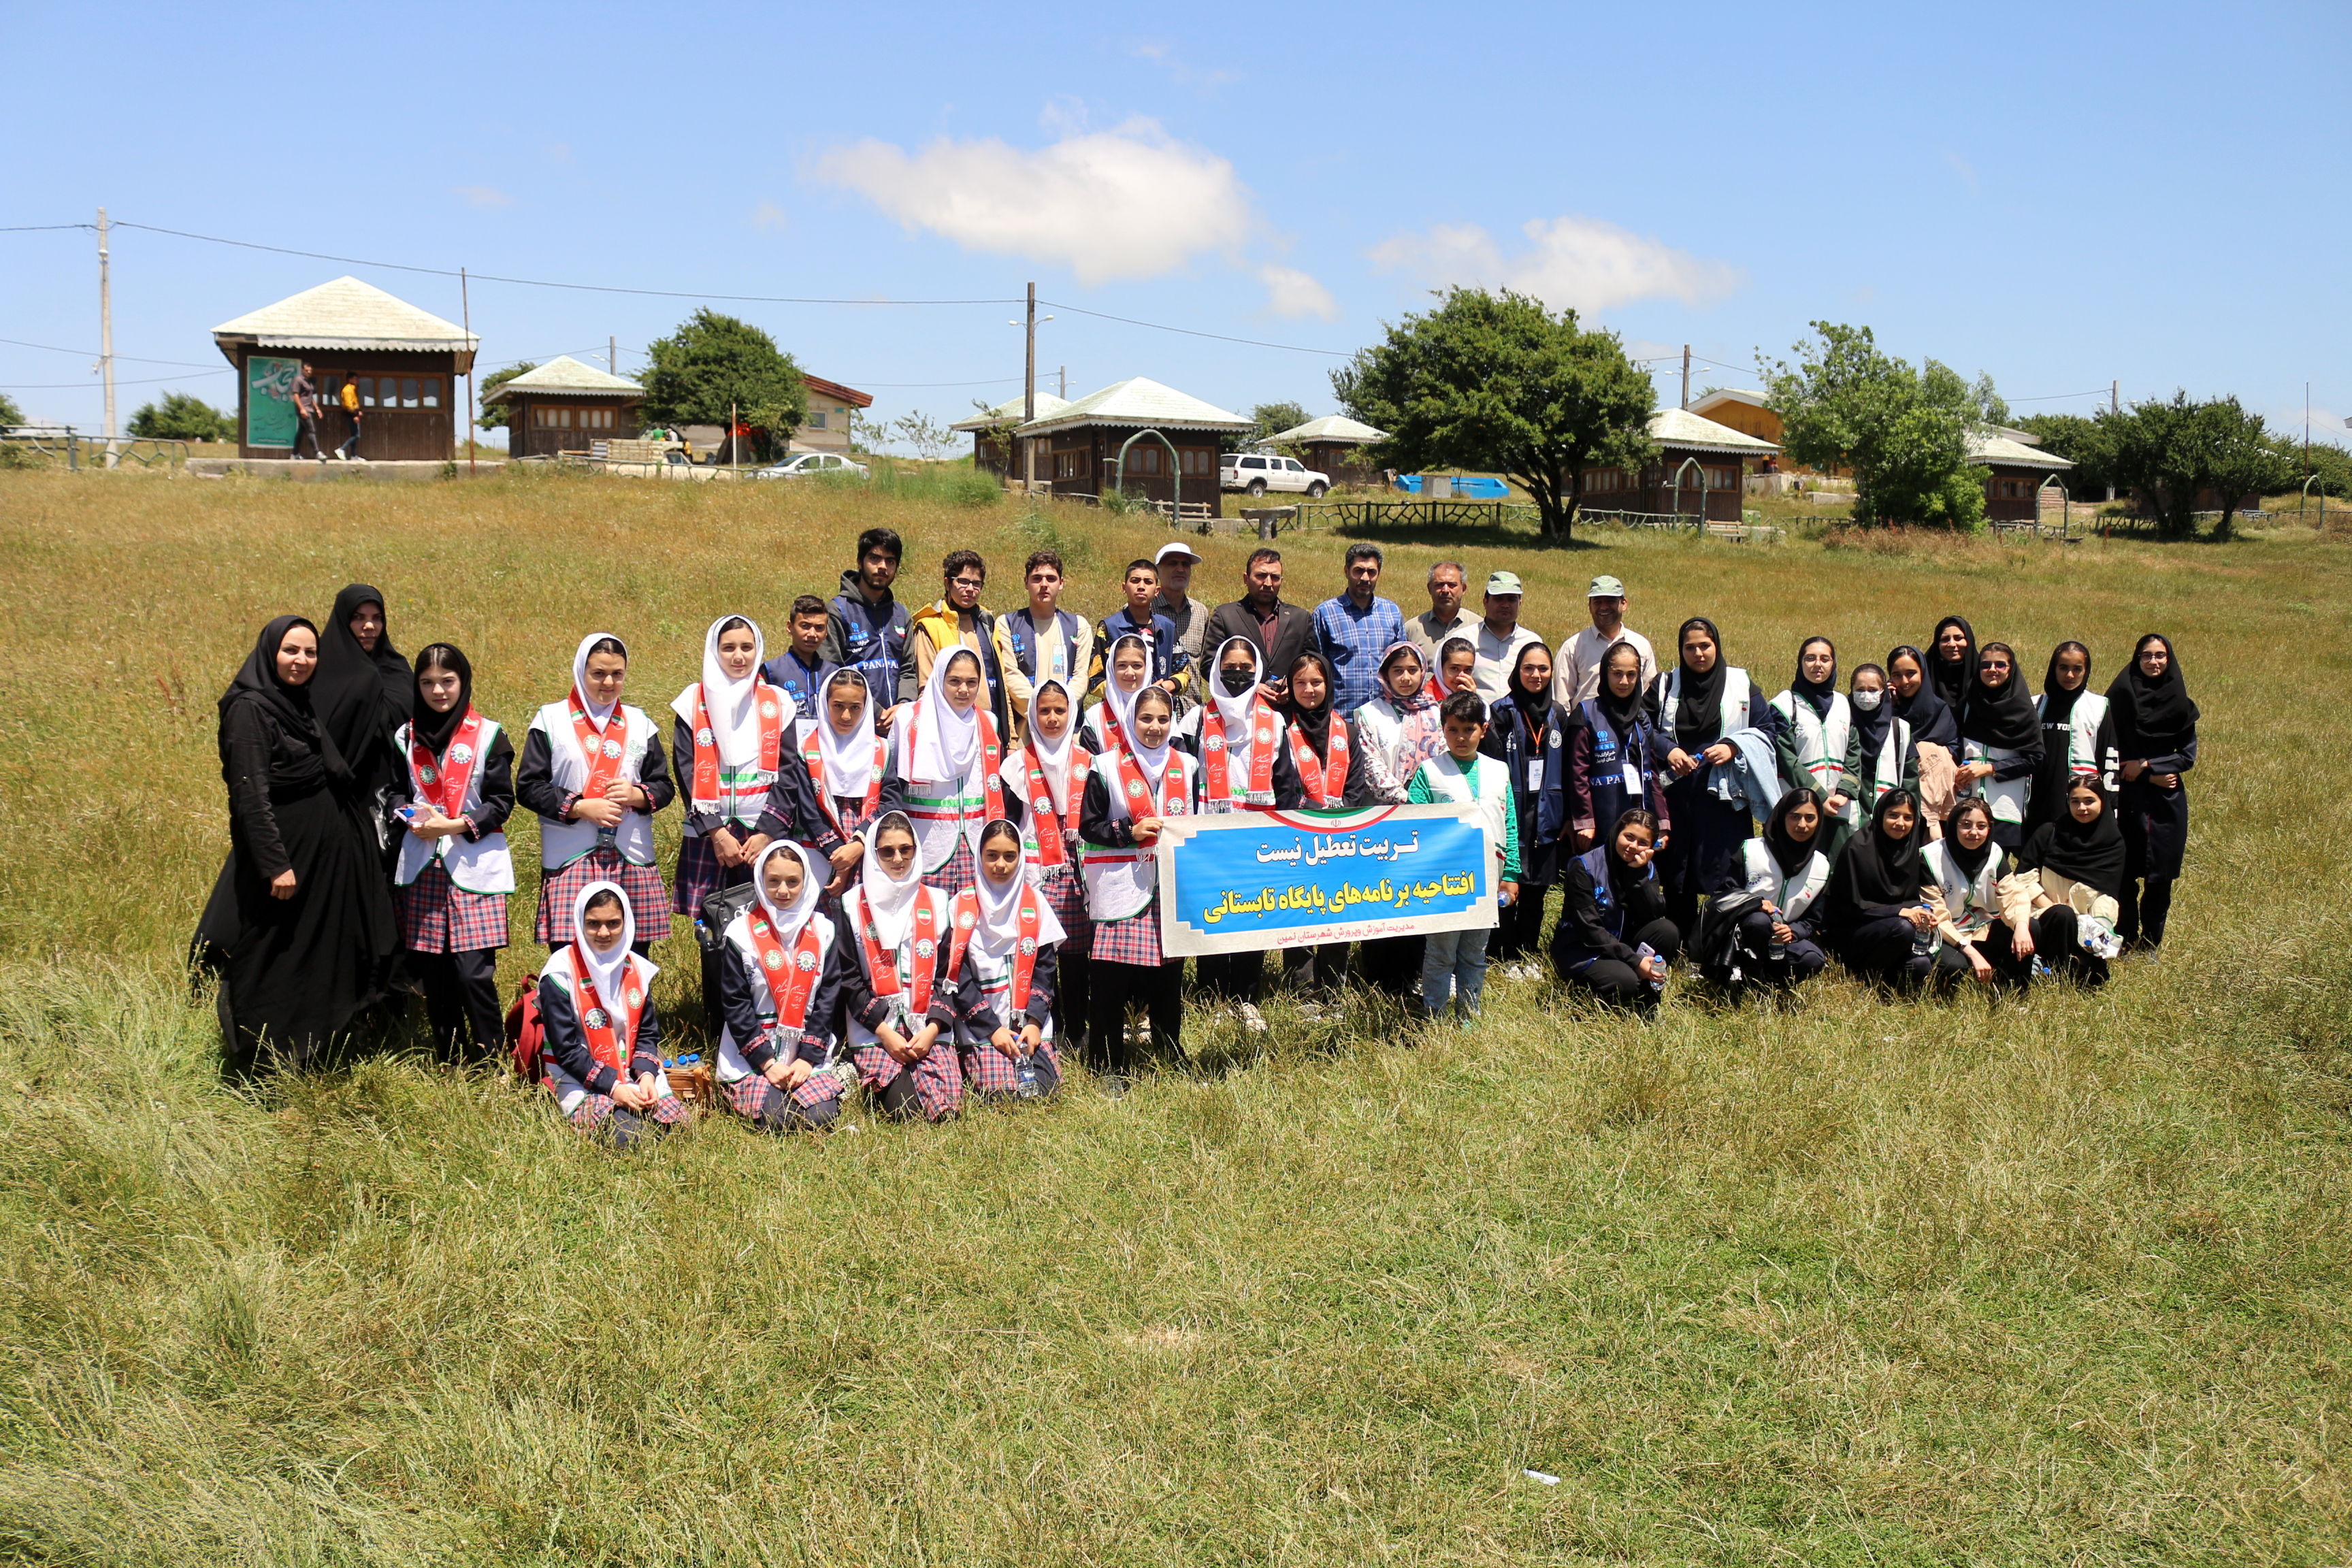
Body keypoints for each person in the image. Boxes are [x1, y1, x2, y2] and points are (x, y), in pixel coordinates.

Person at [197, 615, 395, 1077]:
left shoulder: (294, 702)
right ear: (270, 652)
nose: (302, 660)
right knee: (274, 953)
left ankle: (307, 1051)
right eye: (291, 650)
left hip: (319, 856)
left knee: (312, 950)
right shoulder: (250, 709)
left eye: (310, 652)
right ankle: (259, 1058)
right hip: (286, 860)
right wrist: (275, 864)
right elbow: (250, 795)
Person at [387, 642, 514, 1062]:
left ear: (463, 681)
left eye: (447, 681)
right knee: (435, 973)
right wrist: (409, 816)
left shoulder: (489, 735)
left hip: (473, 864)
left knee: (473, 972)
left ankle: (492, 1059)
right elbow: (392, 793)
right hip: (424, 864)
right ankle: (450, 1058)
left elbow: (502, 801)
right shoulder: (404, 735)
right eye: (427, 682)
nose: (438, 691)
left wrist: (457, 824)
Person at [517, 632, 674, 950]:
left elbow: (664, 785)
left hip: (630, 855)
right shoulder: (550, 720)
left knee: (633, 955)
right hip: (570, 855)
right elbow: (529, 786)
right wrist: (579, 807)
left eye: (617, 674)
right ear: (580, 671)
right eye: (598, 673)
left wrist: (636, 795)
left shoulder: (640, 723)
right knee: (570, 955)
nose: (608, 683)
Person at [1180, 637, 1305, 1024]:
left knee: (1252, 915)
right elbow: (1179, 779)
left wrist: (1285, 833)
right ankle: (1213, 996)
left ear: (1258, 674)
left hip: (1257, 839)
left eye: (1245, 670)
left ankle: (1246, 995)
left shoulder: (1274, 722)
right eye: (1230, 669)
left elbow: (1286, 785)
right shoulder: (1195, 720)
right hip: (1209, 839)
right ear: (1217, 670)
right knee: (1214, 914)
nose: (1237, 676)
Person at [672, 615, 787, 1030]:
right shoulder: (691, 701)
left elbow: (790, 773)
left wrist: (767, 832)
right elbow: (686, 768)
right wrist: (715, 830)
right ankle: (718, 1025)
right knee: (715, 933)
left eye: (747, 647)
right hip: (712, 838)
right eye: (729, 648)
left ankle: (770, 1018)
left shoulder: (778, 701)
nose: (739, 656)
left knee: (769, 926)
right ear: (713, 652)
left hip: (762, 838)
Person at [1080, 685, 1197, 1081]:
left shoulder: (1187, 765)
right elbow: (1087, 827)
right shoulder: (1105, 765)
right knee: (1111, 979)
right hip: (1120, 885)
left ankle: (1168, 1050)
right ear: (1131, 720)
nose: (1155, 727)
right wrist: (1128, 831)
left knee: (1168, 976)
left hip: (1168, 885)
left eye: (1163, 719)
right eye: (1146, 718)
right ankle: (1107, 1064)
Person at [1646, 618, 1778, 934]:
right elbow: (1642, 727)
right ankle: (1681, 939)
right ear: (1681, 651)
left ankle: (1718, 941)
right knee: (1679, 872)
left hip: (1724, 800)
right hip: (1676, 796)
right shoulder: (1665, 684)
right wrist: (1669, 749)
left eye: (1705, 646)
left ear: (1716, 646)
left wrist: (1733, 746)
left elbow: (1767, 730)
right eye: (1690, 647)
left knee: (1724, 871)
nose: (1698, 654)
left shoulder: (1740, 683)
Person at [712, 840, 852, 1132]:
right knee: (778, 1119)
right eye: (773, 881)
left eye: (793, 881)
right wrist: (766, 1063)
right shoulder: (740, 934)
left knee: (819, 1116)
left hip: (805, 1052)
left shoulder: (823, 930)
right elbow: (735, 1005)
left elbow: (827, 1001)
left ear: (806, 882)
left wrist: (807, 1060)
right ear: (761, 882)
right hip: (753, 1055)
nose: (783, 891)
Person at [536, 882, 687, 1145]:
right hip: (580, 1075)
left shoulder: (637, 968)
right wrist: (615, 1088)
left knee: (678, 1129)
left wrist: (647, 1074)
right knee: (631, 1138)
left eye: (613, 923)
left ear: (625, 922)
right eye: (593, 924)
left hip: (631, 1069)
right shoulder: (559, 974)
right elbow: (566, 1049)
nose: (604, 932)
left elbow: (648, 1032)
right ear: (580, 922)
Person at [838, 813, 963, 1123]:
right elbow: (849, 981)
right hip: (877, 1029)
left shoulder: (937, 902)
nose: (898, 858)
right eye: (887, 851)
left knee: (944, 1109)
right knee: (904, 1110)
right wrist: (886, 1034)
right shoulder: (851, 905)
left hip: (927, 1026)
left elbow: (950, 976)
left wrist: (933, 1030)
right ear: (873, 853)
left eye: (906, 850)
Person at [1410, 690, 1521, 1020]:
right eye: (1453, 730)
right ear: (1442, 730)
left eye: (1469, 730)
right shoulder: (1429, 772)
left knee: (1475, 952)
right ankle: (1436, 1015)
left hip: (1488, 876)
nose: (1461, 737)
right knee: (1441, 952)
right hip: (1443, 880)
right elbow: (1415, 826)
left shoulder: (1498, 770)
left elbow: (1510, 824)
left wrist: (1512, 875)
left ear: (1483, 730)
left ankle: (1469, 1017)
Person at [1279, 651, 1378, 996]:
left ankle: (1335, 988)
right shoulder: (1279, 727)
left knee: (1339, 911)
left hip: (1343, 837)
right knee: (1300, 912)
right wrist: (1308, 817)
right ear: (1290, 687)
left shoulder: (1346, 731)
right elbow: (1282, 782)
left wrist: (1340, 818)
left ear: (1329, 684)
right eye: (1301, 683)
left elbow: (1356, 784)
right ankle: (1303, 990)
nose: (1309, 690)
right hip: (1297, 837)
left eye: (1317, 682)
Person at [948, 819, 1068, 1101]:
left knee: (1042, 1092)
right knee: (1001, 1095)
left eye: (1009, 856)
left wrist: (1034, 1022)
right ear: (979, 856)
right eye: (992, 856)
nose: (1000, 865)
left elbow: (1046, 970)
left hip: (1026, 1024)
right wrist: (993, 1029)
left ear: (1020, 858)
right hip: (984, 1026)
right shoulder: (961, 907)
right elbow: (959, 980)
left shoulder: (1036, 903)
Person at [1352, 641, 1445, 1005]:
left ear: (1424, 672)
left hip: (1427, 826)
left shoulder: (1437, 713)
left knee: (1419, 901)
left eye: (1412, 670)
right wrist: (1411, 800)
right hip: (1382, 824)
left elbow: (1443, 763)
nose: (1406, 678)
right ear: (1384, 675)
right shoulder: (1367, 714)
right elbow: (1371, 770)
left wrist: (1426, 804)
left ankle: (1416, 974)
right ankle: (1379, 978)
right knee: (1380, 900)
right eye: (1397, 671)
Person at [1003, 679, 1093, 1050]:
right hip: (1036, 866)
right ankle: (1044, 1025)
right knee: (1041, 949)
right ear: (1032, 716)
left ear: (1072, 714)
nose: (1053, 718)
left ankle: (1078, 1027)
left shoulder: (1089, 763)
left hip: (1076, 865)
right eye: (1044, 711)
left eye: (1060, 711)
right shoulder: (1015, 767)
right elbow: (1007, 822)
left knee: (1076, 951)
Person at [762, 668, 903, 898]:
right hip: (820, 849)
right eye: (838, 706)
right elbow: (808, 811)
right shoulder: (806, 749)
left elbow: (891, 803)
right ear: (825, 704)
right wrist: (839, 857)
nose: (846, 716)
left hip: (867, 847)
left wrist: (858, 845)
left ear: (866, 708)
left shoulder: (882, 750)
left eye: (855, 708)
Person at [2107, 634, 2197, 951]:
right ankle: (2127, 936)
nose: (2154, 662)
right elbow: (2106, 752)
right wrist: (2144, 773)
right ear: (2137, 658)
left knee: (2160, 878)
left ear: (2169, 659)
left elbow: (2186, 757)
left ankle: (2151, 943)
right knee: (2124, 874)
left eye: (2160, 656)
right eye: (2147, 655)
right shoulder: (2119, 697)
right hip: (2127, 799)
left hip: (2165, 804)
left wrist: (2146, 766)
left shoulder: (2182, 705)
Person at [1483, 641, 1567, 979]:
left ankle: (1528, 951)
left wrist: (1569, 816)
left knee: (1536, 891)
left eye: (1543, 669)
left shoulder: (1559, 713)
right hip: (1511, 812)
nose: (1536, 675)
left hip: (1547, 814)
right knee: (1507, 886)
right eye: (1528, 668)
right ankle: (1502, 954)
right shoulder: (1501, 712)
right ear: (1517, 671)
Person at [312, 583, 410, 866]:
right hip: (342, 796)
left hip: (393, 792)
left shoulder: (397, 669)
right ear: (343, 620)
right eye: (359, 618)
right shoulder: (323, 672)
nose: (369, 626)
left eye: (376, 618)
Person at [900, 647, 1006, 899]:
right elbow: (895, 780)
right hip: (927, 839)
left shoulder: (988, 722)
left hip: (976, 839)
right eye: (955, 681)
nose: (964, 690)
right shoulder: (910, 718)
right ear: (939, 679)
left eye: (972, 682)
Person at [1550, 808, 1676, 1013]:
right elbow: (1590, 930)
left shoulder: (1647, 867)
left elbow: (1655, 912)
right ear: (1617, 831)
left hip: (1621, 942)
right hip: (1583, 948)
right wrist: (1635, 961)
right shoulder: (1584, 867)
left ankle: (1648, 998)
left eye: (1643, 843)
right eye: (1629, 837)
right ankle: (1585, 1000)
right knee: (1625, 982)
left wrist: (1639, 878)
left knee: (1667, 930)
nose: (1633, 847)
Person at [1712, 788, 1832, 988]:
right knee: (1758, 922)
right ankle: (1748, 978)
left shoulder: (1822, 866)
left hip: (1783, 942)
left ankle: (1773, 981)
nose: (1802, 825)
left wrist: (1793, 931)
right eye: (1795, 817)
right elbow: (1723, 894)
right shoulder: (1752, 850)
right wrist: (1754, 904)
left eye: (1810, 818)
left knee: (1813, 958)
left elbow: (1814, 919)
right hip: (1743, 934)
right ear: (1782, 816)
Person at [1820, 789, 1938, 992]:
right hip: (1853, 930)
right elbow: (1850, 907)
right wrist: (1899, 912)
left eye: (1908, 818)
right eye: (1893, 815)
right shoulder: (1858, 848)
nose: (1900, 823)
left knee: (1921, 964)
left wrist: (1924, 913)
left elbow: (1914, 897)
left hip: (1895, 929)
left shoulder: (1911, 850)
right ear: (1881, 814)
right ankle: (1866, 976)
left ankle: (1889, 981)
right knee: (1904, 929)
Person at [1921, 798, 2040, 992]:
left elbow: (2012, 894)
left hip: (1983, 929)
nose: (1974, 833)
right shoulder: (1929, 857)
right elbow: (1938, 917)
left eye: (1981, 826)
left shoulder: (1994, 852)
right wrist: (1972, 953)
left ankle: (2014, 991)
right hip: (1949, 935)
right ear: (1953, 826)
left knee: (2029, 926)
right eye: (1966, 825)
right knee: (1953, 967)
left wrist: (2021, 925)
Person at [2017, 778, 2127, 987]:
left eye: (2089, 801)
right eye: (2075, 801)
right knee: (2062, 915)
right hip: (2043, 917)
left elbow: (2107, 894)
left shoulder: (2113, 844)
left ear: (2102, 802)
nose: (2082, 807)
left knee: (2095, 979)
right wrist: (2051, 907)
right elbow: (2022, 877)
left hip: (2085, 927)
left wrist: (2100, 925)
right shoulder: (2049, 833)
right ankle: (2050, 970)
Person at [1566, 640, 1670, 856]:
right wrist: (1585, 821)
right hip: (1600, 820)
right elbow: (1577, 774)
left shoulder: (1641, 718)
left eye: (1631, 675)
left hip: (1638, 820)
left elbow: (1653, 773)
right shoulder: (1586, 714)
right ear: (1605, 674)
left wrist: (1662, 822)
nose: (1624, 681)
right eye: (1617, 674)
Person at [903, 549, 1011, 734]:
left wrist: (1012, 738)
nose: (970, 589)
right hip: (949, 731)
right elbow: (926, 688)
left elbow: (1003, 684)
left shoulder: (988, 622)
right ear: (947, 582)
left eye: (976, 584)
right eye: (963, 581)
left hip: (992, 729)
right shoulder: (930, 626)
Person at [995, 549, 1093, 740]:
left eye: (1051, 578)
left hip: (1069, 732)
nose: (1044, 585)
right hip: (1024, 732)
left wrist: (1059, 713)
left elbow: (1082, 676)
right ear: (1026, 582)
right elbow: (1010, 675)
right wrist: (1042, 712)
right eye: (1037, 578)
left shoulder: (1079, 626)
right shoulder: (1006, 624)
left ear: (1061, 583)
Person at [1770, 636, 1860, 845]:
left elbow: (1853, 752)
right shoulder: (1784, 705)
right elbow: (1787, 759)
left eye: (1825, 659)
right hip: (1798, 809)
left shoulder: (1843, 704)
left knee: (1835, 869)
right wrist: (1819, 796)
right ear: (1800, 663)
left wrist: (1844, 792)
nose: (1817, 664)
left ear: (1834, 663)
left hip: (1839, 807)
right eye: (1810, 658)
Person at [821, 527, 911, 734]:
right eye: (875, 559)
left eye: (890, 561)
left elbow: (908, 668)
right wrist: (875, 710)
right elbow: (831, 670)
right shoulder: (838, 610)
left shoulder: (901, 614)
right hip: (853, 724)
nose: (882, 567)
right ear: (860, 562)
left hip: (899, 725)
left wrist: (904, 707)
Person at [1955, 642, 2043, 851]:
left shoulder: (2023, 710)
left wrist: (1990, 769)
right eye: (1985, 665)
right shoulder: (1968, 704)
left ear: (2010, 669)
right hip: (1967, 799)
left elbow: (2035, 759)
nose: (1992, 670)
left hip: (2004, 806)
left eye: (2000, 665)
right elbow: (1953, 743)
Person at [1202, 548, 1314, 705]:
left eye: (1275, 577)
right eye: (1261, 576)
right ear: (1246, 579)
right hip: (1241, 712)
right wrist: (1251, 686)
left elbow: (1313, 663)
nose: (1268, 583)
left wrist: (1295, 685)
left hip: (1289, 713)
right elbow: (1209, 666)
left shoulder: (1300, 618)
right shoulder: (1225, 616)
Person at [1312, 541, 1406, 717]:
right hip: (1342, 716)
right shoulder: (1325, 613)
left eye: (1371, 572)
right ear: (1346, 571)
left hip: (1385, 716)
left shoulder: (1391, 612)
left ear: (1379, 574)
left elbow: (1403, 663)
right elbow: (1316, 668)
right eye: (1358, 571)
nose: (1365, 578)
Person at [2032, 641, 2117, 830]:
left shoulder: (2099, 706)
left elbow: (2109, 757)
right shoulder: (2035, 705)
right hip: (2038, 800)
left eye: (2077, 669)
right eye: (2063, 668)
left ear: (2086, 671)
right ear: (2053, 669)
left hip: (2081, 802)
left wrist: (2111, 804)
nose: (2070, 675)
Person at [1088, 558, 1190, 702]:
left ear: (1157, 591)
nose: (1141, 586)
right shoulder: (1109, 628)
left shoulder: (1167, 628)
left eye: (1148, 582)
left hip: (1158, 710)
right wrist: (1127, 692)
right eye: (1135, 581)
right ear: (1124, 587)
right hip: (1118, 712)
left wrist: (1166, 686)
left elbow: (1184, 672)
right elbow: (1094, 679)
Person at [1843, 662, 1914, 855]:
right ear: (1851, 692)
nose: (1866, 695)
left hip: (1889, 825)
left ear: (1884, 692)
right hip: (1846, 821)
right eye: (1860, 690)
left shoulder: (1900, 730)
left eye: (1873, 689)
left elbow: (1910, 782)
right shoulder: (1841, 725)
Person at [1552, 574, 1656, 706]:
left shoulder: (1641, 645)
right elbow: (1562, 701)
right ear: (1590, 605)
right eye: (1597, 602)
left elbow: (1649, 696)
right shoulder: (1573, 647)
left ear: (1624, 604)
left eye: (1610, 601)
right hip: (1586, 725)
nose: (1604, 607)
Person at [1886, 645, 1959, 837]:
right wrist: (1886, 706)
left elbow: (1954, 749)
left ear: (1923, 673)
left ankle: (1930, 825)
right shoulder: (1884, 708)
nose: (1904, 682)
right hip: (1890, 788)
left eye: (1911, 674)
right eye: (1897, 675)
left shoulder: (1938, 709)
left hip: (1931, 796)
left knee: (1931, 750)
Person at [760, 594, 838, 719]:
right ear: (790, 627)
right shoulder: (771, 671)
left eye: (819, 628)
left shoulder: (834, 672)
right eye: (805, 626)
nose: (812, 634)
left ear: (826, 632)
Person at [1471, 570, 1543, 702]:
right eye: (1499, 599)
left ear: (1520, 603)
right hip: (1476, 718)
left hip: (1520, 719)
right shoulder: (1465, 639)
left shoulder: (1532, 642)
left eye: (1511, 599)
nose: (1505, 605)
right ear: (1485, 602)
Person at [1083, 632, 1153, 754]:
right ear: (1111, 668)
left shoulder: (1164, 714)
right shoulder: (1094, 717)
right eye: (1122, 665)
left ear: (1147, 668)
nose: (1129, 673)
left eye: (1137, 665)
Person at [1152, 540, 1211, 667]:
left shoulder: (1200, 612)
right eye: (1173, 563)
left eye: (1185, 564)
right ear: (1157, 571)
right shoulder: (1145, 609)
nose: (1180, 569)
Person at [1405, 561, 1477, 664]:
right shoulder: (1411, 630)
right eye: (1440, 584)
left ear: (1464, 589)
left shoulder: (1478, 627)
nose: (1446, 590)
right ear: (1430, 589)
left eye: (1452, 585)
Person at [1928, 616, 1977, 716]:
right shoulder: (1924, 671)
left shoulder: (1983, 671)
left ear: (1969, 641)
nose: (1952, 644)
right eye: (1945, 639)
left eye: (1958, 638)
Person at [291, 363, 323, 461]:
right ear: (302, 370)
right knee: (311, 430)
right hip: (304, 409)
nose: (309, 372)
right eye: (307, 370)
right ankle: (317, 453)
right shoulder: (298, 380)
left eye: (310, 371)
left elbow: (310, 397)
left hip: (309, 408)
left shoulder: (309, 382)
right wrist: (302, 409)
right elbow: (295, 395)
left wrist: (317, 409)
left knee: (301, 432)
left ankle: (295, 454)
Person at [335, 374, 363, 461]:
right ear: (350, 379)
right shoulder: (347, 390)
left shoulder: (353, 389)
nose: (357, 380)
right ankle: (341, 449)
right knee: (356, 435)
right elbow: (349, 405)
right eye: (355, 379)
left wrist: (358, 412)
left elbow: (354, 403)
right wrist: (354, 415)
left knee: (354, 434)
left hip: (354, 413)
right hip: (351, 414)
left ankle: (354, 455)